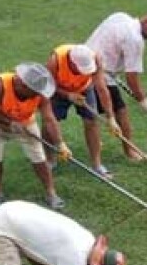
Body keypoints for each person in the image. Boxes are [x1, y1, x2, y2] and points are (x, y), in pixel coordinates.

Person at [0, 62, 69, 210]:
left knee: (39, 158)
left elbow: (49, 119)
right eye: (34, 91)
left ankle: (51, 193)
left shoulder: (40, 94)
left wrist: (60, 143)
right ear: (23, 85)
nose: (37, 94)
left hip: (27, 123)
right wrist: (8, 122)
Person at [85, 11, 147, 160]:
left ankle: (95, 141)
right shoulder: (135, 40)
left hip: (84, 61)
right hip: (100, 73)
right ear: (146, 22)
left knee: (91, 110)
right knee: (120, 112)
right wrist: (143, 100)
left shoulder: (120, 16)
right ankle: (129, 152)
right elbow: (131, 77)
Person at [44, 43, 123, 177]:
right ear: (72, 62)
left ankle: (97, 165)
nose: (84, 72)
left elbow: (102, 89)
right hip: (58, 91)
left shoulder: (95, 59)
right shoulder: (55, 61)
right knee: (50, 123)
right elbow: (48, 85)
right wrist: (68, 95)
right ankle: (50, 160)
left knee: (92, 122)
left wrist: (111, 118)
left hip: (85, 89)